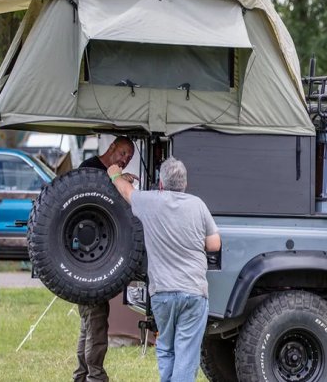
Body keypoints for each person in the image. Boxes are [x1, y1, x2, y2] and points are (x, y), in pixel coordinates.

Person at [108, 156, 221, 382]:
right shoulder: (197, 204)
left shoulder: (150, 202)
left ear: (161, 183)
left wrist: (114, 174)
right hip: (193, 292)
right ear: (185, 183)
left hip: (162, 293)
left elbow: (126, 191)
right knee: (186, 354)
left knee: (166, 348)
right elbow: (214, 244)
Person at [73, 136, 136, 382]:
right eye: (122, 154)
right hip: (88, 261)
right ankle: (96, 376)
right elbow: (93, 199)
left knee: (88, 322)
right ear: (111, 148)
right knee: (96, 321)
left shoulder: (105, 173)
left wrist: (119, 181)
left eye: (129, 158)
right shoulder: (89, 169)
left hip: (87, 260)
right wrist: (117, 181)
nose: (124, 160)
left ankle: (81, 374)